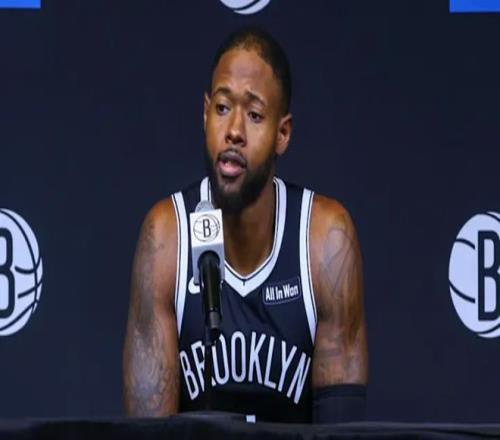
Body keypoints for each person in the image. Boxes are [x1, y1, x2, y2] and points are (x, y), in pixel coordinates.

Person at [123, 28, 368, 424]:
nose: (234, 130)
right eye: (222, 108)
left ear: (282, 133)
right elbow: (150, 435)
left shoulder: (325, 240)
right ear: (205, 114)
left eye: (254, 115)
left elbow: (342, 431)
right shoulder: (166, 238)